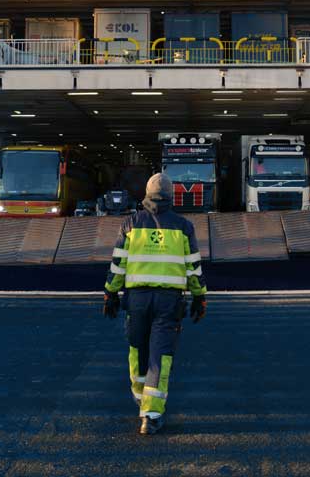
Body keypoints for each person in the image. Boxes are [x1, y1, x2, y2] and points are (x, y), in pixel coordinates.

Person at [103, 172, 207, 436]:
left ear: (146, 195)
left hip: (136, 300)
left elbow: (118, 264)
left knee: (137, 349)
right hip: (169, 303)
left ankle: (140, 398)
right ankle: (151, 415)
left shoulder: (130, 224)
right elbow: (193, 267)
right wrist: (199, 296)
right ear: (172, 196)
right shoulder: (184, 227)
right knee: (160, 356)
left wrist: (110, 293)